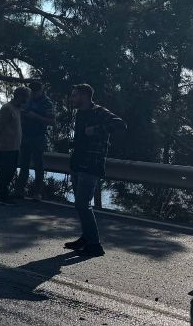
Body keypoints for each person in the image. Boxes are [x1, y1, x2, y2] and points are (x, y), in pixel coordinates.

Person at [64, 84, 126, 258]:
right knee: (80, 205)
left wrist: (96, 130)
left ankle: (95, 245)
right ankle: (86, 238)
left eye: (75, 96)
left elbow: (121, 125)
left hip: (91, 165)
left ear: (84, 96)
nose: (72, 99)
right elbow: (82, 138)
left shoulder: (99, 112)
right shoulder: (80, 113)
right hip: (77, 163)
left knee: (82, 205)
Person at [0, 86, 30, 205]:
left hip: (14, 147)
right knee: (6, 173)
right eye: (26, 97)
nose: (27, 100)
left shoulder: (18, 109)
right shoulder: (7, 109)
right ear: (19, 96)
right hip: (4, 147)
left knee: (8, 173)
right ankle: (3, 195)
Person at [16, 82, 56, 200]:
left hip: (38, 137)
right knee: (24, 165)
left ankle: (37, 192)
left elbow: (52, 122)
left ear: (41, 90)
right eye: (31, 91)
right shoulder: (27, 100)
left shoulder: (47, 103)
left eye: (35, 91)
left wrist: (35, 117)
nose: (33, 94)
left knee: (39, 166)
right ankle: (19, 191)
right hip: (25, 136)